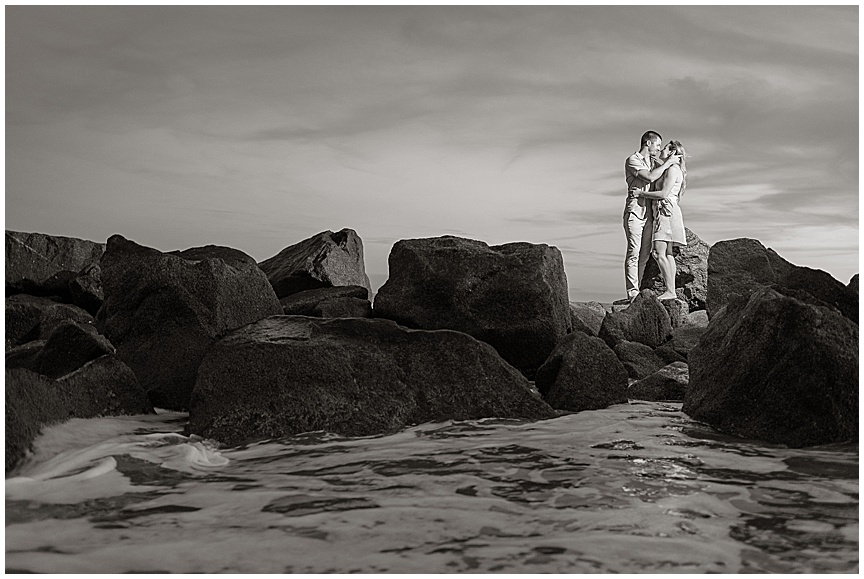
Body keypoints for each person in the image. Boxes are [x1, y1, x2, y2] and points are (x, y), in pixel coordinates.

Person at [623, 131, 680, 301]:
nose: (658, 148)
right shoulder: (632, 160)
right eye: (657, 145)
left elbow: (669, 178)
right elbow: (649, 177)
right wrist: (668, 162)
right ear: (648, 143)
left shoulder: (655, 162)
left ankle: (638, 289)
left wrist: (670, 162)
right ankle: (632, 291)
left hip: (650, 215)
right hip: (635, 211)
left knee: (645, 254)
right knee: (633, 251)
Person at [640, 140, 688, 300]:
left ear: (672, 152)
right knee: (667, 253)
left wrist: (642, 194)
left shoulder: (672, 171)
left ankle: (670, 291)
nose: (661, 150)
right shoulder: (674, 169)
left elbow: (663, 194)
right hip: (670, 210)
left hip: (665, 211)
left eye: (665, 148)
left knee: (658, 252)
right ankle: (671, 290)